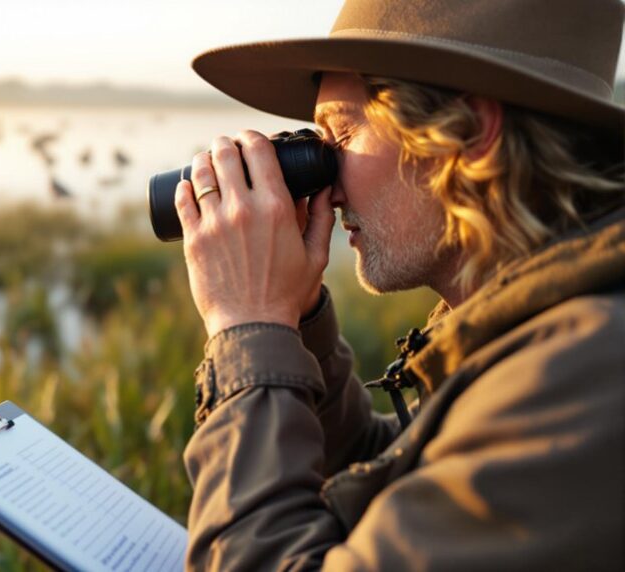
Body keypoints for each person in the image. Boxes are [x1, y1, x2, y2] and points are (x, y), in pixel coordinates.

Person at [173, 0, 625, 569]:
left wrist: (248, 326)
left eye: (338, 139)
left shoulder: (585, 374)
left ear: (467, 132)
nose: (326, 190)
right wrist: (298, 316)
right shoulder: (550, 331)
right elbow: (389, 477)